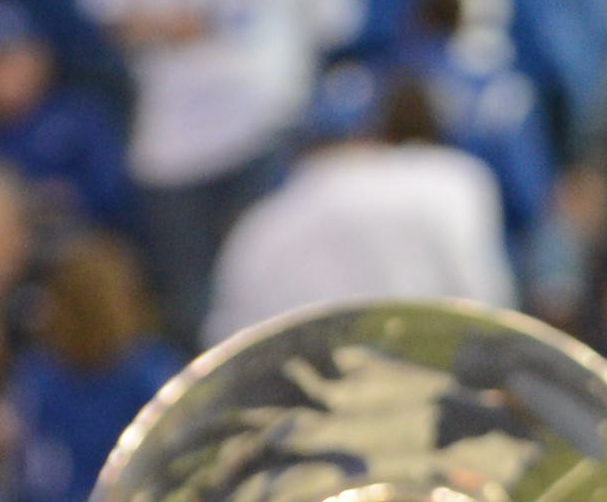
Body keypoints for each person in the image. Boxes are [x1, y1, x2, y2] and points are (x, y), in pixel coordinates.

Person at [83, 0, 361, 336]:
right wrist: (161, 26)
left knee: (270, 276)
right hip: (176, 135)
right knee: (191, 299)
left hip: (266, 124)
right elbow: (104, 11)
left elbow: (336, 22)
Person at [201, 79, 516, 336]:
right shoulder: (446, 178)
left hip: (311, 401)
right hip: (435, 389)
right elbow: (489, 308)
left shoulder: (261, 224)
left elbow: (229, 348)